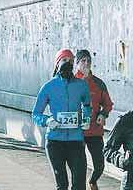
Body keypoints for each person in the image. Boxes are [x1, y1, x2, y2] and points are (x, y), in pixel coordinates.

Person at [32, 49, 91, 190]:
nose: (68, 63)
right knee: (62, 185)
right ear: (57, 63)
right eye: (64, 60)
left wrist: (86, 118)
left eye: (71, 61)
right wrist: (47, 121)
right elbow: (35, 114)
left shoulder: (81, 85)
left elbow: (87, 105)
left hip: (76, 141)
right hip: (55, 142)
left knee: (79, 185)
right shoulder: (48, 87)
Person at [74, 50, 113, 190]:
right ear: (76, 63)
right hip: (76, 133)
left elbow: (108, 104)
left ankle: (92, 180)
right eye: (82, 61)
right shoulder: (71, 82)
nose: (86, 63)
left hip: (95, 132)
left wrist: (103, 114)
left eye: (88, 61)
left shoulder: (98, 83)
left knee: (100, 165)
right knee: (80, 166)